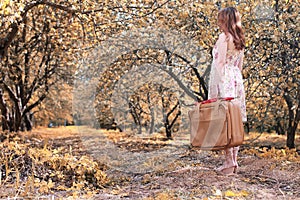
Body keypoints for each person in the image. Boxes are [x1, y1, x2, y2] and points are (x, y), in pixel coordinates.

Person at [208, 7, 247, 175]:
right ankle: (234, 161)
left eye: (221, 20)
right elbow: (239, 66)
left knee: (225, 121)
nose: (219, 24)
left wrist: (214, 89)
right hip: (236, 80)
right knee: (235, 120)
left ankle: (229, 162)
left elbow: (220, 64)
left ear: (227, 21)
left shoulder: (224, 38)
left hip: (224, 80)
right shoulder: (240, 40)